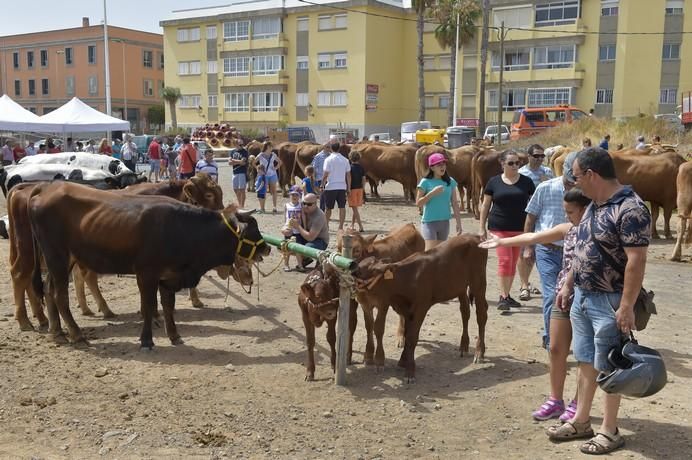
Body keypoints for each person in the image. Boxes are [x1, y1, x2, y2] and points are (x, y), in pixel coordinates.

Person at [547, 147, 651, 455]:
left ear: (592, 175)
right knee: (585, 360)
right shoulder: (595, 204)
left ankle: (610, 429)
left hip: (610, 300)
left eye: (577, 177)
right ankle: (581, 421)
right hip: (582, 296)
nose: (575, 183)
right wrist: (568, 285)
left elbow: (637, 261)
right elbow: (582, 247)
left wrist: (627, 305)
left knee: (610, 366)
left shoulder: (631, 208)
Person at [480, 186, 591, 424]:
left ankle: (577, 403)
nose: (566, 216)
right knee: (555, 349)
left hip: (586, 298)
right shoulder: (568, 229)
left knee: (583, 355)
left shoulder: (597, 231)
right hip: (563, 297)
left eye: (570, 211)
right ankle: (555, 400)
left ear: (585, 209)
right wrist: (501, 242)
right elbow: (534, 237)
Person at [522, 151, 576, 349]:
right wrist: (528, 247)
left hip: (573, 253)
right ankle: (551, 338)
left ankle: (567, 336)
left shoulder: (584, 193)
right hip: (547, 250)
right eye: (570, 181)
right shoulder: (545, 188)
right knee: (551, 295)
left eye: (575, 181)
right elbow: (530, 218)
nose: (572, 185)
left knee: (572, 296)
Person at [479, 150, 536, 310]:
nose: (515, 166)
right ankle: (503, 297)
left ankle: (507, 295)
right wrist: (481, 227)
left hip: (520, 228)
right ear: (502, 163)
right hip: (499, 227)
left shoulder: (527, 182)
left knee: (512, 263)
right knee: (505, 261)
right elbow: (485, 205)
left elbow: (533, 205)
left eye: (517, 163)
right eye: (511, 163)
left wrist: (532, 228)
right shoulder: (493, 182)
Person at [517, 144, 555, 301]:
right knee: (524, 250)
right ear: (529, 156)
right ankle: (524, 285)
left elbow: (556, 191)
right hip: (526, 215)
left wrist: (547, 182)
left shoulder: (547, 172)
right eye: (536, 156)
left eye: (542, 156)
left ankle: (533, 282)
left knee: (539, 251)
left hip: (544, 217)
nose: (539, 159)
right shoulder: (521, 173)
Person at [416, 152, 462, 250]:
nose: (442, 167)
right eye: (438, 165)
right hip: (429, 223)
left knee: (440, 256)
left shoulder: (450, 181)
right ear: (432, 168)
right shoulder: (425, 182)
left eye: (443, 164)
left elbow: (454, 203)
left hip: (444, 223)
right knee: (430, 255)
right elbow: (418, 203)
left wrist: (459, 223)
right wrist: (432, 193)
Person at [290, 192, 329, 271]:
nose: (305, 206)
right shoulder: (302, 209)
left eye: (309, 204)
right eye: (304, 203)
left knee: (306, 249)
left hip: (320, 240)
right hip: (305, 235)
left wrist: (298, 226)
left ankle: (317, 259)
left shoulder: (319, 216)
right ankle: (306, 259)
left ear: (315, 204)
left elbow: (310, 237)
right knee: (285, 246)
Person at [322, 142, 351, 231]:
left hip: (331, 186)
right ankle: (341, 226)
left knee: (328, 208)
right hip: (342, 186)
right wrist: (348, 187)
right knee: (342, 207)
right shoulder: (345, 160)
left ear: (331, 148)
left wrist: (322, 183)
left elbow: (326, 173)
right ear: (339, 149)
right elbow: (348, 175)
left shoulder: (328, 159)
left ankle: (326, 225)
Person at [281, 186, 303, 271]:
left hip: (298, 231)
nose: (294, 197)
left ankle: (300, 265)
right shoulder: (286, 205)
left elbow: (303, 218)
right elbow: (285, 217)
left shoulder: (301, 205)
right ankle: (286, 265)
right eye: (292, 195)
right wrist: (285, 227)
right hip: (289, 230)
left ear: (299, 196)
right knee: (287, 248)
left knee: (298, 249)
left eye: (296, 195)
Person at [257, 141, 281, 213]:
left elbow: (280, 162)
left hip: (272, 174)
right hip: (264, 176)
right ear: (267, 147)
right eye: (271, 146)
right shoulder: (261, 155)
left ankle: (274, 207)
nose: (272, 148)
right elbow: (253, 162)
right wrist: (258, 169)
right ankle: (262, 208)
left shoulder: (273, 154)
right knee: (263, 191)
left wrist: (276, 168)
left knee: (274, 191)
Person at [348, 150, 366, 232]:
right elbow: (364, 179)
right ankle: (352, 224)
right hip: (360, 189)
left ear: (350, 158)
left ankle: (361, 226)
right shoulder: (362, 167)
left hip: (352, 189)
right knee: (355, 208)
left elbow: (349, 179)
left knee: (354, 208)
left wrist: (347, 189)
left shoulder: (350, 168)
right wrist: (363, 188)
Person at [229, 140, 249, 208]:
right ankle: (239, 203)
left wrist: (233, 161)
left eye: (242, 144)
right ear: (236, 144)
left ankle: (242, 206)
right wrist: (239, 162)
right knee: (235, 189)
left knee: (242, 189)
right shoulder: (232, 151)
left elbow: (243, 162)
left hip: (242, 172)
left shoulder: (244, 152)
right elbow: (229, 163)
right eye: (240, 145)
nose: (242, 146)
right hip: (234, 172)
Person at [311, 143, 331, 208]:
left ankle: (327, 212)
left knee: (328, 196)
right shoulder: (318, 156)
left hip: (329, 179)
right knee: (322, 196)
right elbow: (314, 167)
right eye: (327, 147)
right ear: (323, 147)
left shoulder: (331, 156)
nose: (329, 148)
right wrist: (314, 179)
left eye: (329, 147)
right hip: (321, 178)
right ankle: (322, 211)